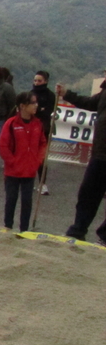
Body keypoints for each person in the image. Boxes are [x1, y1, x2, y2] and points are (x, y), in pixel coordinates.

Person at [56, 75, 106, 244]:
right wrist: (67, 94)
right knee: (88, 194)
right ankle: (78, 229)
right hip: (100, 153)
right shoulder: (105, 92)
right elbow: (90, 103)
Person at [0, 91, 47, 232]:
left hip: (29, 171)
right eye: (32, 102)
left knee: (27, 202)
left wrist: (38, 161)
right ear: (23, 106)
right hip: (13, 171)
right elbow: (3, 146)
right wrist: (12, 162)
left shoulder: (37, 124)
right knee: (11, 200)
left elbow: (42, 143)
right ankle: (8, 226)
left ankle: (24, 229)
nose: (36, 105)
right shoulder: (11, 123)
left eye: (36, 102)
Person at [32, 70, 55, 195]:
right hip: (30, 128)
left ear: (45, 81)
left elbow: (47, 112)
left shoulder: (50, 95)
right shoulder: (30, 93)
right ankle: (27, 179)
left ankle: (42, 183)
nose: (36, 83)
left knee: (41, 156)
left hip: (43, 128)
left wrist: (39, 110)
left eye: (39, 81)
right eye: (35, 80)